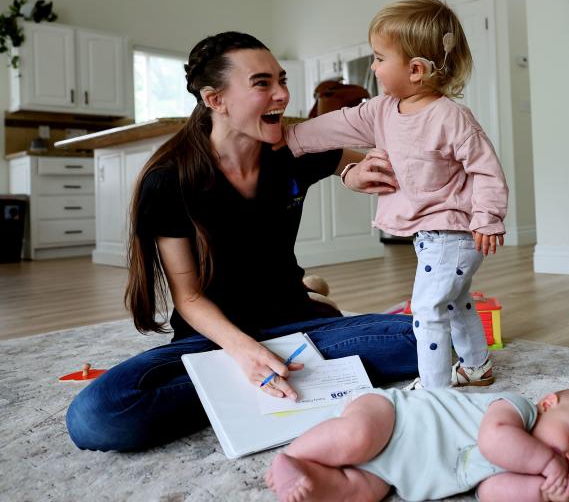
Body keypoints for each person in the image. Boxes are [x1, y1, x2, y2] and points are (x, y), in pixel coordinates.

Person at [65, 32, 418, 451]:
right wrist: (244, 353)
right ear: (216, 100)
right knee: (98, 417)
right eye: (262, 83)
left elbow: (346, 158)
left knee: (429, 339)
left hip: (297, 323)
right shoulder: (170, 181)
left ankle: (250, 380)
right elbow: (189, 298)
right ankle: (277, 375)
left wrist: (349, 173)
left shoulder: (293, 149)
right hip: (213, 338)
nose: (282, 95)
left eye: (282, 80)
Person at [284, 0, 508, 390]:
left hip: (455, 236)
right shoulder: (383, 110)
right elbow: (337, 124)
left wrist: (488, 217)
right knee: (455, 302)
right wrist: (290, 139)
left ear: (416, 70)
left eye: (379, 57)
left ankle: (434, 390)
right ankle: (476, 366)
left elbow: (485, 168)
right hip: (431, 237)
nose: (373, 66)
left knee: (427, 310)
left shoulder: (451, 117)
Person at [265, 387, 569, 502]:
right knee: (357, 437)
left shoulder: (519, 470)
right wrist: (547, 465)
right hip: (394, 418)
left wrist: (544, 493)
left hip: (397, 474)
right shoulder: (519, 410)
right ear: (548, 404)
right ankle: (293, 456)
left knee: (359, 493)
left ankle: (306, 479)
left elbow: (492, 493)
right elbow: (493, 440)